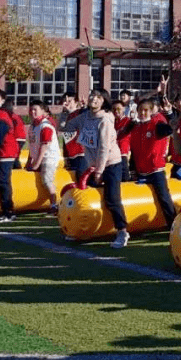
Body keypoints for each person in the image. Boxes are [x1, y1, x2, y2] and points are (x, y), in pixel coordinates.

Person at [60, 89, 128, 248]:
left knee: (112, 198)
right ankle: (87, 228)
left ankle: (122, 231)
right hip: (93, 165)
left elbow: (104, 148)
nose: (94, 99)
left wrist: (99, 171)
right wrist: (64, 112)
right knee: (87, 196)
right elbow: (64, 128)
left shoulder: (105, 120)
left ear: (104, 101)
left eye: (98, 97)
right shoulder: (84, 117)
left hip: (111, 164)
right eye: (92, 95)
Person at [129, 96, 177, 228]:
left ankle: (173, 225)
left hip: (156, 170)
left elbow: (169, 129)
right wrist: (132, 169)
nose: (143, 113)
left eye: (146, 110)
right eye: (140, 111)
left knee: (164, 198)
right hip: (141, 172)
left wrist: (169, 113)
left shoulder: (157, 124)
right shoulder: (136, 128)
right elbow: (134, 151)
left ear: (151, 112)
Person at [0, 89, 21, 224]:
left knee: (2, 181)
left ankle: (9, 212)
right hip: (3, 152)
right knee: (1, 181)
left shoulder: (1, 116)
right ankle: (5, 210)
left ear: (2, 101)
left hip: (5, 152)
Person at [25, 98, 61, 214]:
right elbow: (32, 145)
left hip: (48, 158)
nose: (33, 112)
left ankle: (54, 205)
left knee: (46, 180)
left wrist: (37, 164)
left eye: (35, 110)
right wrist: (29, 161)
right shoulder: (33, 127)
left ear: (42, 111)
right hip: (38, 158)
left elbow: (44, 147)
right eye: (31, 110)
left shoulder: (46, 126)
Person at [59, 92, 89, 182]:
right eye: (64, 101)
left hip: (82, 154)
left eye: (69, 100)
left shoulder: (81, 113)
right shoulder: (65, 116)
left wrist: (85, 106)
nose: (67, 103)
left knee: (82, 179)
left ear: (76, 102)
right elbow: (62, 129)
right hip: (71, 154)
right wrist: (65, 157)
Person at [110, 99, 134, 181]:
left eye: (118, 109)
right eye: (114, 109)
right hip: (112, 155)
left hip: (123, 154)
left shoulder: (128, 121)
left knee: (125, 179)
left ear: (124, 109)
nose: (116, 111)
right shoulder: (111, 122)